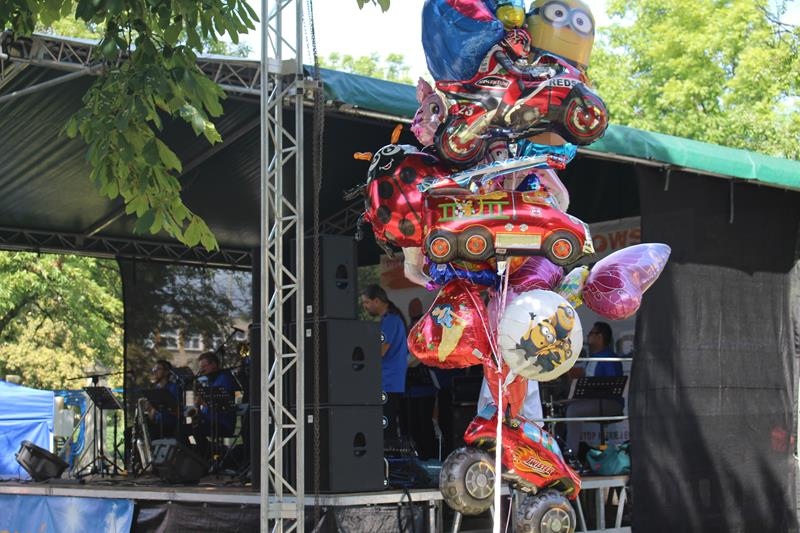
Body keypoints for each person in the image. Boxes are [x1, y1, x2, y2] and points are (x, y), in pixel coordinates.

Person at [564, 321, 624, 458]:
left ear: (600, 336)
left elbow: (611, 386)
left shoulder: (609, 358)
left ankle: (571, 453)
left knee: (573, 410)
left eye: (591, 333)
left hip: (610, 404)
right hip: (597, 401)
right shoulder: (593, 358)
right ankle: (565, 448)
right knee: (564, 406)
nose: (588, 336)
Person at [360, 284, 408, 441]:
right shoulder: (390, 319)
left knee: (387, 429)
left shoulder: (390, 320)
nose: (365, 306)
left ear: (377, 301)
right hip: (389, 381)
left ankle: (390, 455)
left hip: (388, 382)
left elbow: (381, 351)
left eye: (366, 302)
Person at [192, 351, 237, 455]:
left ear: (214, 364)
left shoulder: (224, 377)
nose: (201, 370)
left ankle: (210, 453)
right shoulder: (208, 380)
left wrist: (203, 402)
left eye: (204, 366)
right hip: (209, 421)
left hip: (223, 423)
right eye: (200, 367)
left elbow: (223, 403)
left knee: (197, 430)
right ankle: (206, 452)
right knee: (183, 429)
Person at [147, 359, 180, 439]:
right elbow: (151, 416)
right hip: (157, 424)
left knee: (151, 434)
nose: (155, 371)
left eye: (158, 369)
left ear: (166, 372)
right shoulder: (155, 388)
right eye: (154, 369)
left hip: (169, 426)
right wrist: (150, 410)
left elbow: (176, 410)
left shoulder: (174, 387)